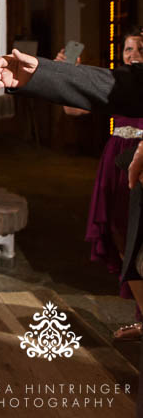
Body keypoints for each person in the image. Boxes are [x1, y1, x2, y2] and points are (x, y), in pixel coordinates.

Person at [53, 32, 143, 340]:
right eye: (128, 48)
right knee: (120, 236)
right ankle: (141, 318)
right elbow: (73, 110)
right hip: (115, 159)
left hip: (141, 161)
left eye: (140, 48)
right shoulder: (116, 84)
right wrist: (68, 75)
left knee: (139, 239)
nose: (134, 54)